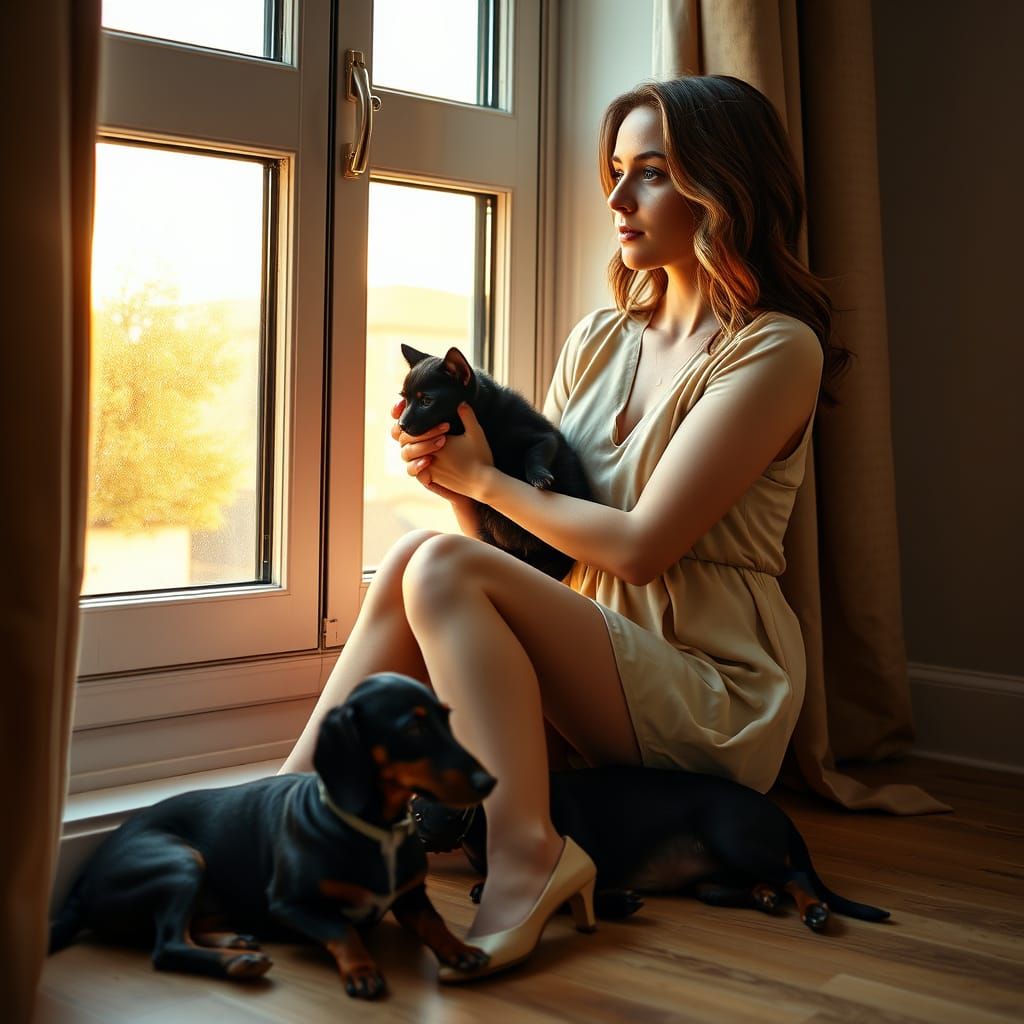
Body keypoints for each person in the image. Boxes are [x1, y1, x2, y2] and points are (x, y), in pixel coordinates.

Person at [280, 74, 846, 981]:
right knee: (423, 554)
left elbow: (641, 546)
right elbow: (527, 552)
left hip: (708, 680)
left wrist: (489, 479)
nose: (617, 198)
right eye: (616, 171)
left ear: (724, 188)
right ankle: (283, 818)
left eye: (652, 173)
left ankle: (528, 855)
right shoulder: (598, 338)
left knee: (439, 565)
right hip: (593, 650)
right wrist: (457, 476)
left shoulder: (778, 347)